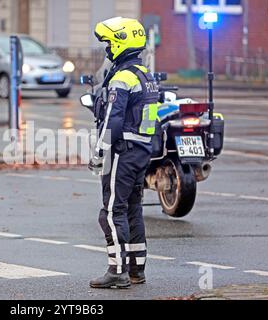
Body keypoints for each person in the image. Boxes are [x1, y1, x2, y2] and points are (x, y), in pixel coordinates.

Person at [88, 17, 160, 289]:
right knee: (133, 209)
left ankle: (117, 271)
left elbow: (112, 120)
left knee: (110, 211)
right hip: (141, 151)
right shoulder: (146, 75)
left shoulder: (122, 77)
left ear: (120, 42)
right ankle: (136, 269)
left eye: (108, 42)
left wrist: (99, 152)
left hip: (123, 152)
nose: (106, 48)